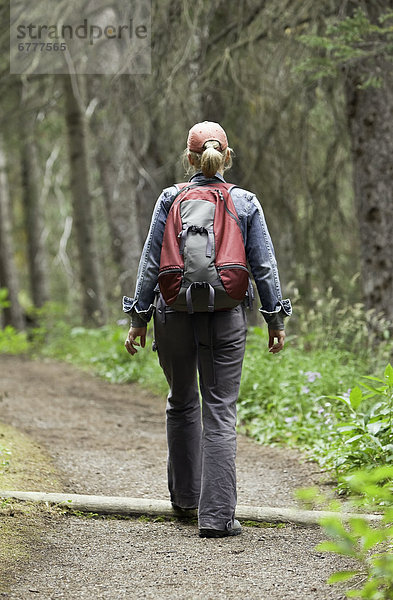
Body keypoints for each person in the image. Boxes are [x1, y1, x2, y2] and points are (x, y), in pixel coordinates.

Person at [123, 121, 291, 538]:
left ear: (189, 159)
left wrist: (138, 319)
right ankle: (216, 519)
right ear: (226, 157)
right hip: (226, 316)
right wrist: (275, 320)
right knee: (220, 411)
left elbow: (149, 262)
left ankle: (184, 500)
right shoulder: (245, 201)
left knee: (181, 402)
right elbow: (264, 266)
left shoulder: (170, 198)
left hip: (172, 313)